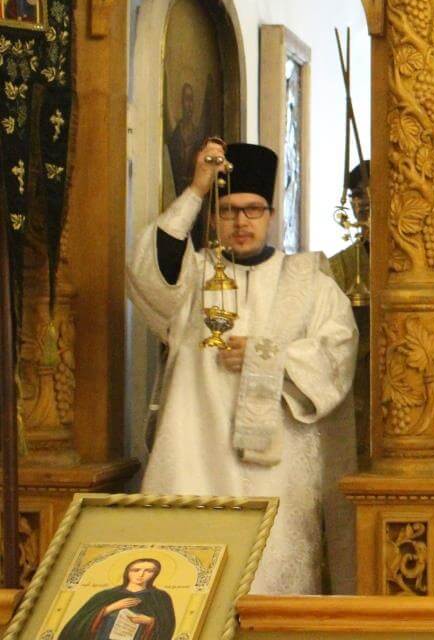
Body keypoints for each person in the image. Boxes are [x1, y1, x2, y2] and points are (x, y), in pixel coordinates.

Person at [127, 141, 358, 595]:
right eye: (228, 211)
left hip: (278, 470)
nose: (241, 222)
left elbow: (337, 354)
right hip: (196, 462)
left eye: (253, 210)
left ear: (271, 214)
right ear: (213, 218)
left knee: (270, 590)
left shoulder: (310, 282)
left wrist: (265, 355)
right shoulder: (194, 276)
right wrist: (197, 189)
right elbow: (149, 272)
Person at [329, 160, 370, 468]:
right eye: (357, 195)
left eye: (370, 194)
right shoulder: (339, 265)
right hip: (353, 376)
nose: (363, 203)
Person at [58, 558, 175, 639]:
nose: (141, 574)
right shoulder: (105, 595)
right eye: (135, 570)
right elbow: (78, 623)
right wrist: (109, 609)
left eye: (148, 571)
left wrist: (150, 621)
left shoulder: (160, 597)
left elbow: (168, 625)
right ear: (127, 572)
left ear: (155, 574)